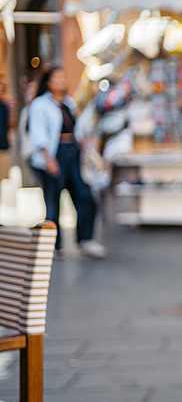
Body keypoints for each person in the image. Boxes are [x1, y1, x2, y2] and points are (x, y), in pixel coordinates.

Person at [28, 66, 106, 259]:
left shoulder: (69, 103)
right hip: (55, 154)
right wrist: (48, 158)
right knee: (53, 202)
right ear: (48, 81)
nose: (62, 81)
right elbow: (38, 133)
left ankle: (85, 240)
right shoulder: (40, 104)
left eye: (64, 77)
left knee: (85, 196)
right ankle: (54, 246)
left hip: (74, 153)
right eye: (57, 77)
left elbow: (78, 130)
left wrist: (89, 152)